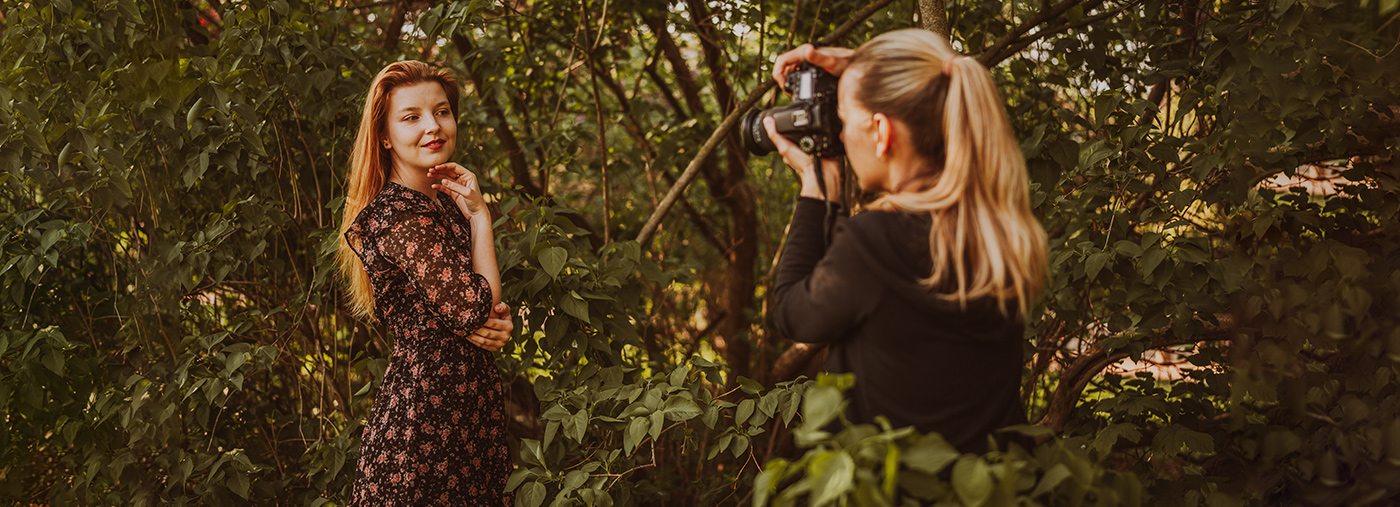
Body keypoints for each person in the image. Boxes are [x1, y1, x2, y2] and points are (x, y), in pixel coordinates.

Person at [766, 29, 1048, 454]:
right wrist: (862, 68)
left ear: (881, 131)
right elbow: (929, 74)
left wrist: (816, 184)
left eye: (843, 121)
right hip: (995, 487)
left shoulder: (876, 242)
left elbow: (792, 313)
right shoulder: (997, 232)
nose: (840, 137)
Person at [336, 60, 515, 505]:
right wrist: (481, 217)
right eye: (411, 117)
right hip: (423, 431)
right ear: (384, 136)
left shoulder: (441, 206)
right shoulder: (397, 216)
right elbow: (477, 306)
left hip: (467, 420)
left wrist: (491, 322)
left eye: (442, 112)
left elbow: (482, 310)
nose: (433, 127)